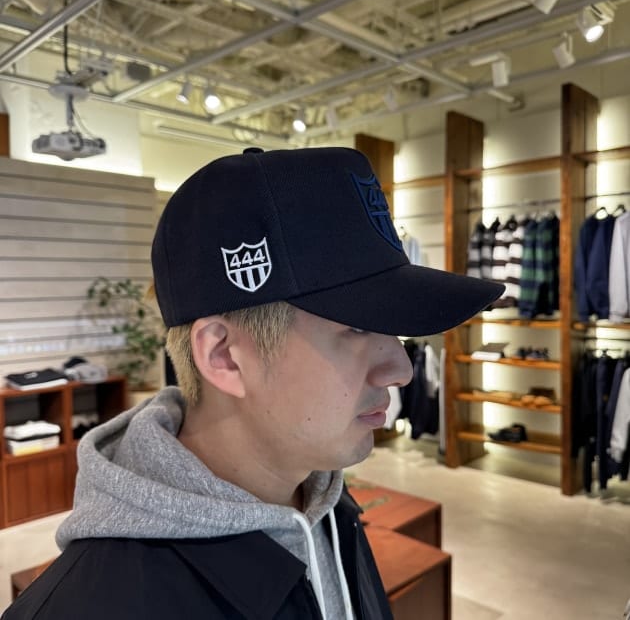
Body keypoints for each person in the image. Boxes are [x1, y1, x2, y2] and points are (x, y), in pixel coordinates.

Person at [3, 147, 502, 619]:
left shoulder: (327, 502)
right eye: (356, 327)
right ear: (224, 356)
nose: (402, 369)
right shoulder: (87, 608)